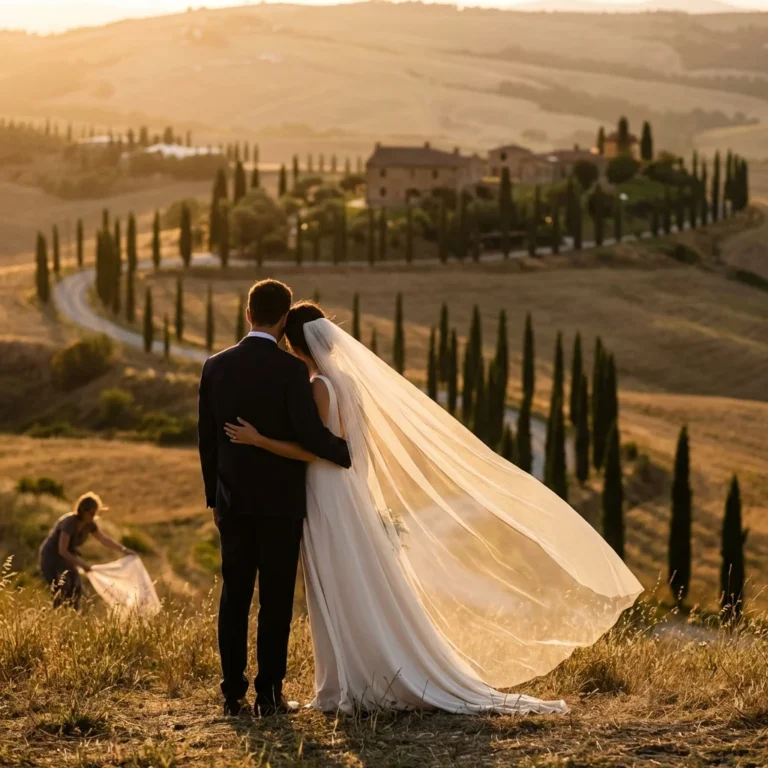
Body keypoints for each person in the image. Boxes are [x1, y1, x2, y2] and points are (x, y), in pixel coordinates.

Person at [224, 300, 643, 715]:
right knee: (351, 578)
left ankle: (349, 681)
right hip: (343, 491)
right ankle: (350, 677)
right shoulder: (347, 382)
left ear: (296, 344)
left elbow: (320, 450)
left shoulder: (319, 386)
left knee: (336, 581)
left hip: (326, 490)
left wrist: (259, 440)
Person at [197, 279, 351, 719]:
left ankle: (232, 695)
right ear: (284, 321)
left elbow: (207, 440)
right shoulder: (291, 371)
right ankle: (269, 695)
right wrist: (344, 453)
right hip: (281, 503)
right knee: (276, 599)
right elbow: (308, 435)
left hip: (232, 502)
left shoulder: (214, 365)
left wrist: (214, 498)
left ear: (248, 314)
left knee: (235, 596)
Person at [39, 492, 133, 609]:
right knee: (61, 590)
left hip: (69, 558)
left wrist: (124, 550)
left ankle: (72, 617)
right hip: (52, 557)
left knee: (75, 590)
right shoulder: (69, 523)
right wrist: (83, 565)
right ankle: (56, 617)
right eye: (91, 513)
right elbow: (62, 550)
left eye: (95, 513)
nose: (93, 516)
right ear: (83, 511)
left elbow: (104, 539)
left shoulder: (90, 525)